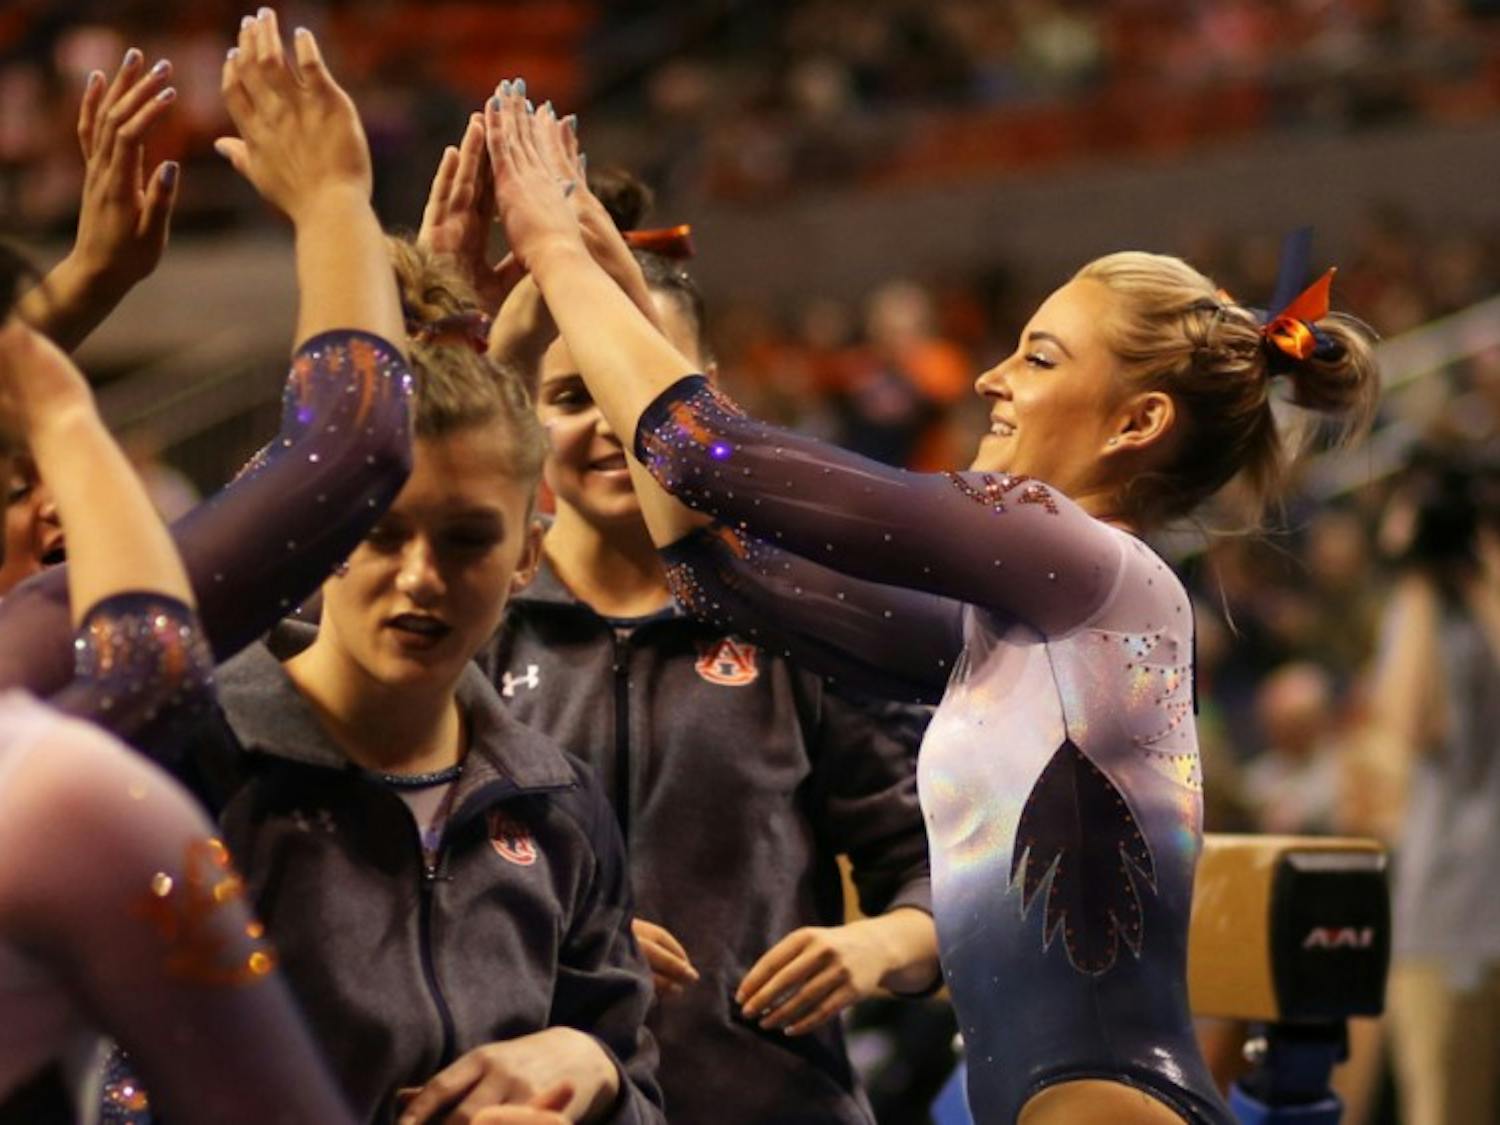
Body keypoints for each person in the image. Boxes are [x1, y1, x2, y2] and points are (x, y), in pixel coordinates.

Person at [486, 89, 1378, 1124]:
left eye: (1040, 358)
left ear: (1138, 420)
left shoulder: (1080, 558)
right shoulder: (1022, 626)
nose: (995, 377)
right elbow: (717, 572)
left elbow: (709, 456)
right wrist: (617, 290)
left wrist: (552, 250)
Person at [454, 157, 941, 1122]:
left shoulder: (792, 618)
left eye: (631, 392)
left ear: (700, 396)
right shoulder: (470, 627)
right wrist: (572, 936)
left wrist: (878, 946)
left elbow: (936, 871)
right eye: (567, 397)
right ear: (522, 415)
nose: (607, 427)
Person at [171, 232, 662, 1125]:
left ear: (526, 554)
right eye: (381, 532)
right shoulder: (199, 768)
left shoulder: (557, 803)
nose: (421, 578)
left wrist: (593, 1074)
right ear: (316, 532)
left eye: (468, 538)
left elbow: (641, 1092)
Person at [1372, 449, 1500, 1125]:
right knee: (1444, 1109)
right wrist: (1417, 575)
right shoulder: (1420, 612)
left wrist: (1486, 573)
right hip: (1448, 903)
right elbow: (1411, 723)